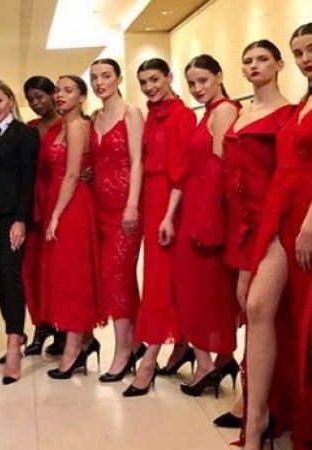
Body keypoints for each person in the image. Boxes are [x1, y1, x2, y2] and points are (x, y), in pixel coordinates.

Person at [214, 40, 292, 431]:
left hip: (269, 222)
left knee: (260, 307)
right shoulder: (240, 112)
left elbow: (287, 174)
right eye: (247, 60)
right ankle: (252, 398)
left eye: (263, 59)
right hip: (237, 223)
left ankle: (259, 406)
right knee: (246, 311)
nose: (254, 65)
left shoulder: (288, 113)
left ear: (279, 64)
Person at [244, 23, 312, 450]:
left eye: (311, 49)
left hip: (308, 214)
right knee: (258, 306)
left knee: (305, 320)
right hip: (280, 210)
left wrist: (310, 222)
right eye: (300, 52)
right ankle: (257, 420)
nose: (307, 58)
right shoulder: (302, 102)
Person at [126, 58, 196, 397]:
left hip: (170, 201)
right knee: (162, 277)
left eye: (155, 79)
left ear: (169, 77)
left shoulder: (182, 115)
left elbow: (181, 169)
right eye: (143, 82)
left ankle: (149, 361)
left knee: (159, 281)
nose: (149, 87)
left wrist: (168, 215)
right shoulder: (152, 113)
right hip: (152, 198)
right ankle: (182, 347)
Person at [175, 54, 240, 398]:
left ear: (219, 76)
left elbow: (220, 164)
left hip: (206, 210)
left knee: (200, 291)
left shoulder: (224, 109)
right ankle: (221, 360)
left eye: (203, 80)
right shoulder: (209, 112)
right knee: (202, 289)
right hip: (197, 206)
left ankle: (207, 365)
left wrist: (208, 221)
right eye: (192, 83)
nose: (197, 88)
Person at [37, 75, 100, 380]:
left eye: (68, 90)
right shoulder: (63, 126)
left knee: (74, 276)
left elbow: (73, 174)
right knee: (65, 273)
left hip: (72, 205)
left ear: (82, 96)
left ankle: (73, 351)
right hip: (61, 200)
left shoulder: (77, 126)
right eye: (57, 90)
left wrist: (56, 216)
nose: (60, 95)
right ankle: (85, 340)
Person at [0, 80, 38, 384]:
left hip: (12, 217)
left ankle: (13, 346)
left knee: (11, 276)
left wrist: (20, 220)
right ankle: (16, 334)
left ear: (11, 100)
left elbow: (28, 180)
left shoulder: (25, 134)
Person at [89, 59, 144, 382]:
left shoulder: (131, 113)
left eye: (106, 76)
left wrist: (132, 204)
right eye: (94, 77)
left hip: (125, 208)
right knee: (114, 278)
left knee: (118, 276)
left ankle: (122, 351)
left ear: (118, 78)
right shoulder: (94, 117)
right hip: (98, 209)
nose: (99, 82)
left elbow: (137, 161)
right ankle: (134, 341)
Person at [21, 75, 68, 357]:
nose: (36, 103)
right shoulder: (29, 128)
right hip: (32, 202)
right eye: (30, 99)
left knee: (57, 269)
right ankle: (41, 325)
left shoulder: (70, 124)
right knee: (32, 269)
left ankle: (62, 328)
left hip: (59, 200)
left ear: (53, 94)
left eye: (40, 96)